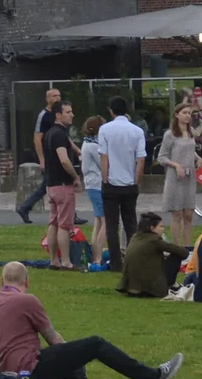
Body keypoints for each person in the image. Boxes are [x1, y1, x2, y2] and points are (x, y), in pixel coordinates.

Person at [0, 263, 181, 379]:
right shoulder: (27, 301)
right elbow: (53, 338)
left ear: (1, 280)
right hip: (34, 370)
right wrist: (76, 360)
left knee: (67, 352)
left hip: (10, 376)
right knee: (94, 344)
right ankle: (153, 377)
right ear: (26, 281)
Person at [97, 97, 147, 257]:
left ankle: (115, 260)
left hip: (111, 182)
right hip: (129, 182)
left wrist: (105, 178)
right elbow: (141, 159)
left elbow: (104, 157)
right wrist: (136, 180)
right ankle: (132, 256)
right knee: (130, 223)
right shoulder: (137, 131)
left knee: (112, 225)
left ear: (111, 111)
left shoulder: (105, 129)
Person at [40, 103, 82, 269]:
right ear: (58, 115)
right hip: (63, 184)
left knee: (54, 223)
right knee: (65, 224)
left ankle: (53, 260)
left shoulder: (50, 133)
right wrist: (75, 176)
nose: (72, 115)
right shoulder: (59, 135)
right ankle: (66, 261)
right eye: (68, 112)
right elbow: (64, 159)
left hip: (51, 185)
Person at [16, 87, 64, 223]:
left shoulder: (59, 115)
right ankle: (25, 207)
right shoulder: (44, 115)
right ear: (47, 99)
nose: (57, 98)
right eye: (54, 96)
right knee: (56, 185)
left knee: (49, 185)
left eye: (59, 95)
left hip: (58, 154)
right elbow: (37, 138)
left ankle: (25, 207)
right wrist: (42, 159)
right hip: (49, 156)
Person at [157, 109, 200, 246]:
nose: (187, 115)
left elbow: (189, 150)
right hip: (175, 177)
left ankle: (188, 247)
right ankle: (177, 247)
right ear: (176, 114)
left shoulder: (191, 132)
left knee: (189, 214)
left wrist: (198, 158)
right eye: (184, 113)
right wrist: (175, 165)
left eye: (189, 113)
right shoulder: (170, 134)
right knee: (177, 214)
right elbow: (162, 157)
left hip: (189, 176)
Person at [118, 211, 187, 297]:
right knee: (176, 255)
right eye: (161, 226)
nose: (163, 229)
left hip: (130, 287)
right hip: (148, 289)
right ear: (152, 228)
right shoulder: (154, 240)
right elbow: (183, 252)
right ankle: (171, 285)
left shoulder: (135, 237)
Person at [77, 115, 108, 268]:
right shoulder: (94, 146)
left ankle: (96, 252)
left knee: (98, 219)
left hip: (91, 184)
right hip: (97, 184)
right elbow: (103, 163)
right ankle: (98, 256)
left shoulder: (87, 143)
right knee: (106, 221)